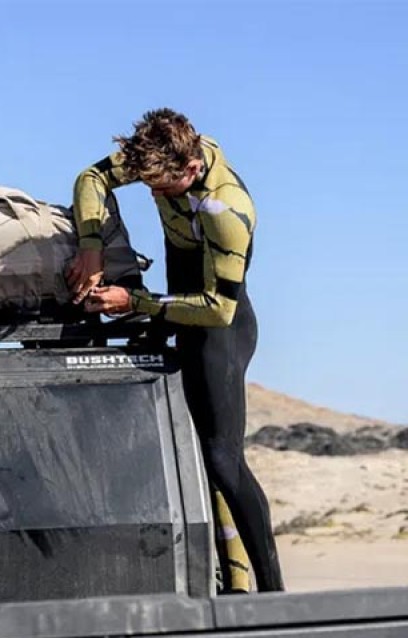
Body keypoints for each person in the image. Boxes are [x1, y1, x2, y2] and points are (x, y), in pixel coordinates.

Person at [67, 108, 284, 592]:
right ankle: (236, 586)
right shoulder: (163, 159)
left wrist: (135, 302)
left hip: (218, 331)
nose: (152, 193)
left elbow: (218, 308)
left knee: (225, 459)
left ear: (189, 171)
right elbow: (92, 176)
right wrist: (91, 245)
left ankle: (274, 592)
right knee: (203, 457)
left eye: (161, 189)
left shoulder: (226, 210)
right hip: (179, 313)